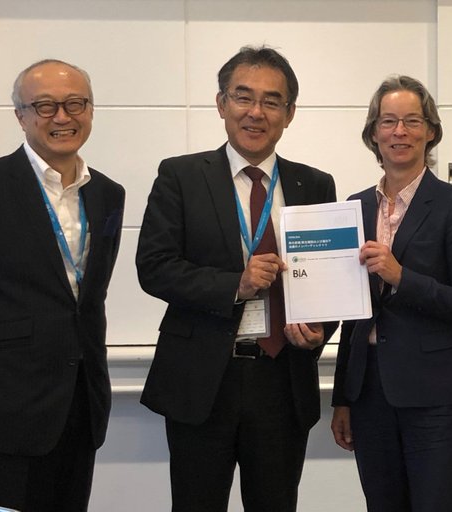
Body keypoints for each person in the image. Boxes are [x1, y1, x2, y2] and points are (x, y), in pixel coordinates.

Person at [136, 45, 338, 511]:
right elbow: (155, 267)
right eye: (243, 97)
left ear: (289, 113)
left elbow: (328, 278)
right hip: (203, 379)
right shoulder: (181, 176)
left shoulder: (314, 184)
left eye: (272, 101)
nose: (256, 112)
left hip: (282, 380)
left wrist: (319, 331)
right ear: (221, 104)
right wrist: (236, 285)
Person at [0, 59, 125, 511]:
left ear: (91, 110)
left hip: (82, 400)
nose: (63, 116)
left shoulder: (107, 193)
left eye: (75, 104)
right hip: (5, 405)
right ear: (20, 115)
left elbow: (87, 299)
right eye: (45, 106)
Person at [329, 75, 452, 511]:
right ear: (373, 133)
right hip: (368, 393)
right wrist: (343, 397)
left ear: (431, 131)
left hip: (434, 395)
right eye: (388, 122)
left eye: (412, 121)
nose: (399, 132)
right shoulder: (355, 206)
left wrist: (403, 277)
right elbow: (351, 312)